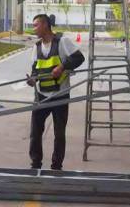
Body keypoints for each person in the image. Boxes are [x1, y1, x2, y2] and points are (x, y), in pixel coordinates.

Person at [27, 14, 85, 170]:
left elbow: (79, 58)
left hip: (60, 96)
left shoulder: (62, 42)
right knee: (35, 132)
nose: (34, 29)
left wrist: (62, 66)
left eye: (36, 25)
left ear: (45, 25)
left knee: (59, 134)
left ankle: (56, 166)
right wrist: (33, 79)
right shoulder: (36, 47)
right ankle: (35, 164)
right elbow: (35, 70)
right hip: (41, 96)